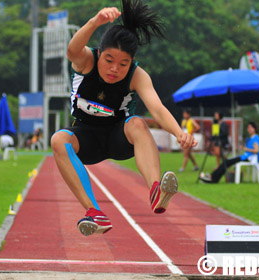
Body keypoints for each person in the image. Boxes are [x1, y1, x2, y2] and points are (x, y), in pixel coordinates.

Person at [50, 0, 197, 237]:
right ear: (100, 54)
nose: (114, 69)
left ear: (131, 62)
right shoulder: (86, 61)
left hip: (119, 137)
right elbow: (72, 51)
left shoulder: (137, 76)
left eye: (123, 64)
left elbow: (157, 109)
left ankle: (156, 191)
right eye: (109, 60)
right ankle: (94, 213)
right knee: (58, 140)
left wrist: (179, 133)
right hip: (86, 137)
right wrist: (95, 22)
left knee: (138, 122)